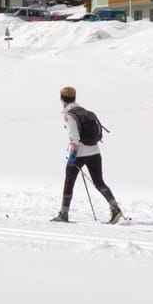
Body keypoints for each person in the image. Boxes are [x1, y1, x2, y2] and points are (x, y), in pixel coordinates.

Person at [51, 86, 123, 224]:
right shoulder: (85, 112)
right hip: (95, 151)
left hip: (79, 153)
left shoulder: (69, 115)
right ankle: (115, 209)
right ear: (74, 97)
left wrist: (72, 156)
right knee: (99, 182)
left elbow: (74, 137)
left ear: (61, 99)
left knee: (69, 182)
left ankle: (64, 214)